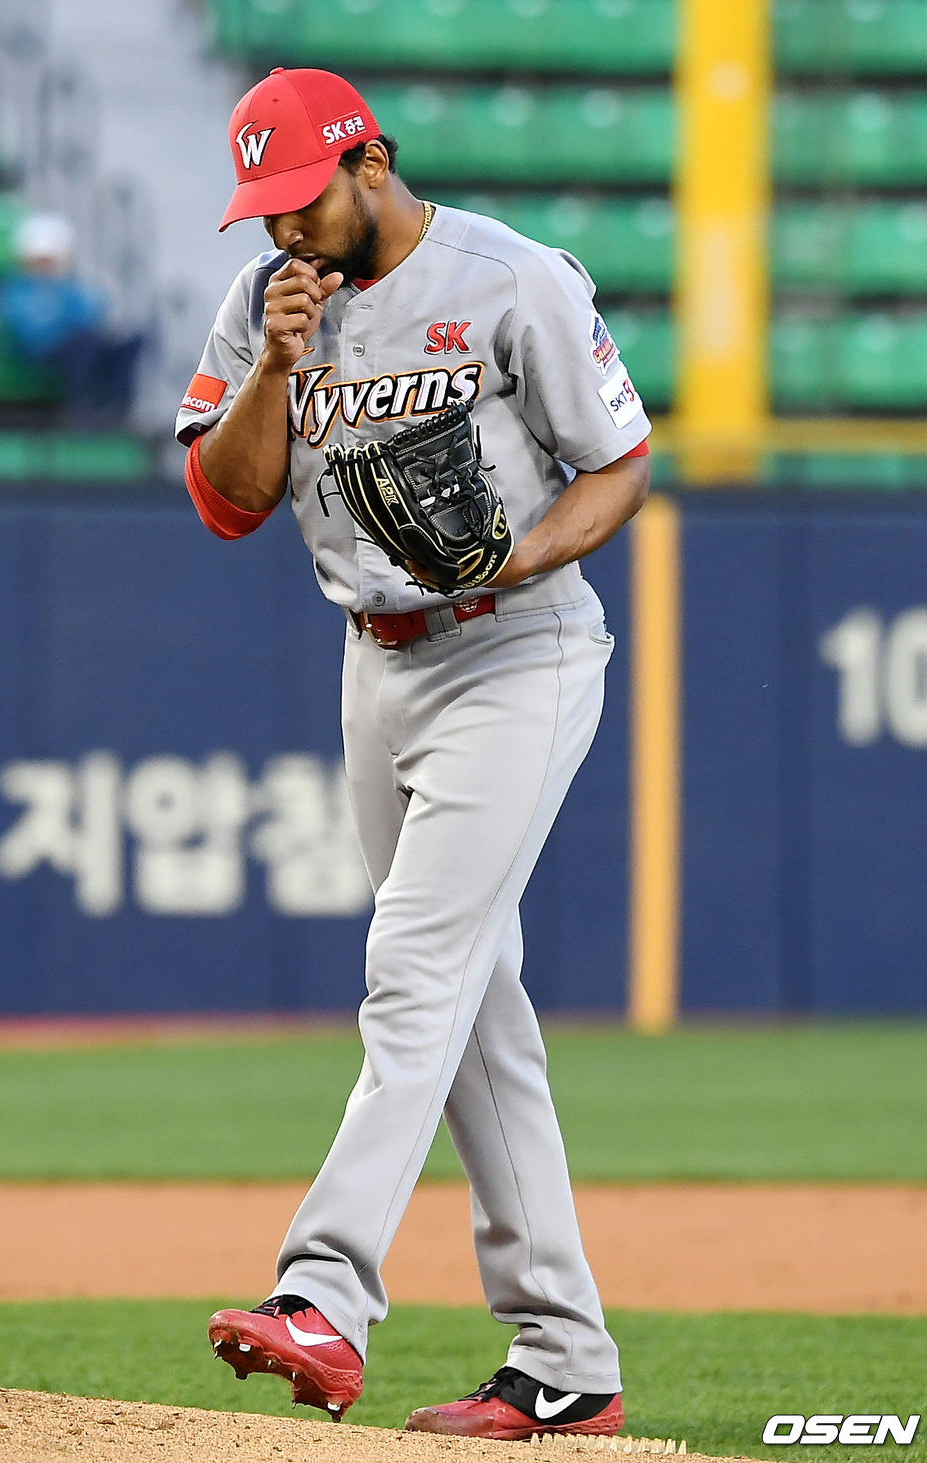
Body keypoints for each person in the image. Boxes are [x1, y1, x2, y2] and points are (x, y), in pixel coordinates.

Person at [174, 66, 651, 1441]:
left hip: (518, 644)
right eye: (261, 209)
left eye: (300, 197)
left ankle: (324, 1293)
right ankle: (564, 1354)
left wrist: (523, 545)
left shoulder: (510, 278)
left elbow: (617, 459)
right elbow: (229, 500)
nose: (283, 230)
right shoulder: (271, 302)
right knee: (475, 1005)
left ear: (369, 159)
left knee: (416, 960)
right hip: (376, 663)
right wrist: (273, 357)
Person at [0, 213, 144, 425]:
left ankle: (118, 409)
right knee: (83, 345)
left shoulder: (71, 288)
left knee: (127, 343)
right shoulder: (13, 291)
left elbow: (95, 312)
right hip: (41, 354)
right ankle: (81, 409)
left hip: (79, 344)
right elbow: (30, 330)